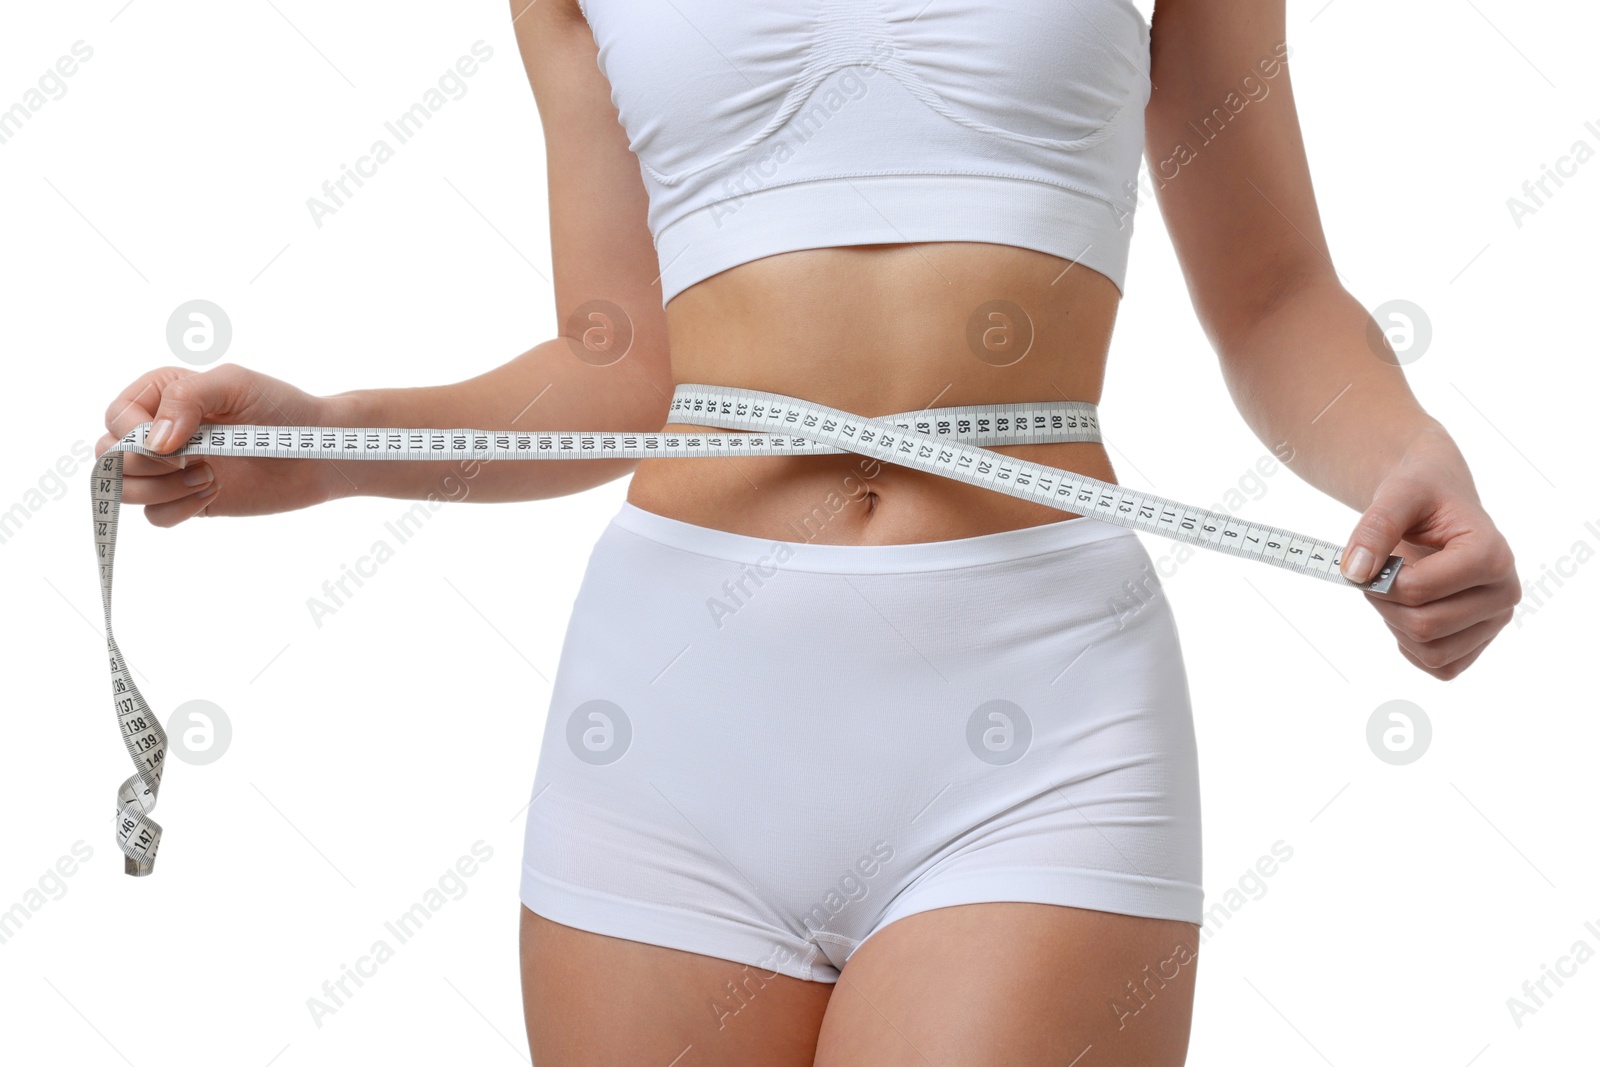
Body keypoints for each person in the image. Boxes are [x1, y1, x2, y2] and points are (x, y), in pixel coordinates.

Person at [97, 0, 1520, 1062]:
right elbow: (622, 366)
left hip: (1036, 712)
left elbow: (1271, 291)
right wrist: (326, 440)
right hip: (674, 722)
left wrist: (1406, 455)